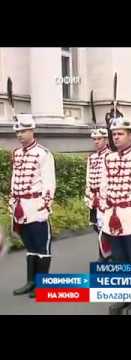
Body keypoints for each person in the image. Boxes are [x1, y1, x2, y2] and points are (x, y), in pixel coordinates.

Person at [98, 116, 131, 315]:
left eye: (120, 134)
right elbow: (103, 187)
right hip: (113, 214)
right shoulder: (108, 158)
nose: (116, 138)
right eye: (114, 134)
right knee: (118, 258)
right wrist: (102, 211)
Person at [10, 114, 56, 298]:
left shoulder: (43, 153)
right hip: (21, 206)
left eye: (23, 131)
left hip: (36, 205)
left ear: (32, 131)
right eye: (17, 132)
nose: (19, 135)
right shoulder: (17, 153)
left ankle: (42, 284)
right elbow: (14, 179)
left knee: (41, 246)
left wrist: (45, 206)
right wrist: (13, 202)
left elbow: (49, 183)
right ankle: (31, 282)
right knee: (30, 246)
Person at [85, 128, 112, 262]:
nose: (96, 142)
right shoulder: (92, 157)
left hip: (105, 199)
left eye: (99, 139)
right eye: (94, 139)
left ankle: (105, 255)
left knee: (106, 226)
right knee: (97, 226)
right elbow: (88, 177)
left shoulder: (111, 156)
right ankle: (106, 252)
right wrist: (88, 194)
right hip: (94, 198)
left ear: (106, 140)